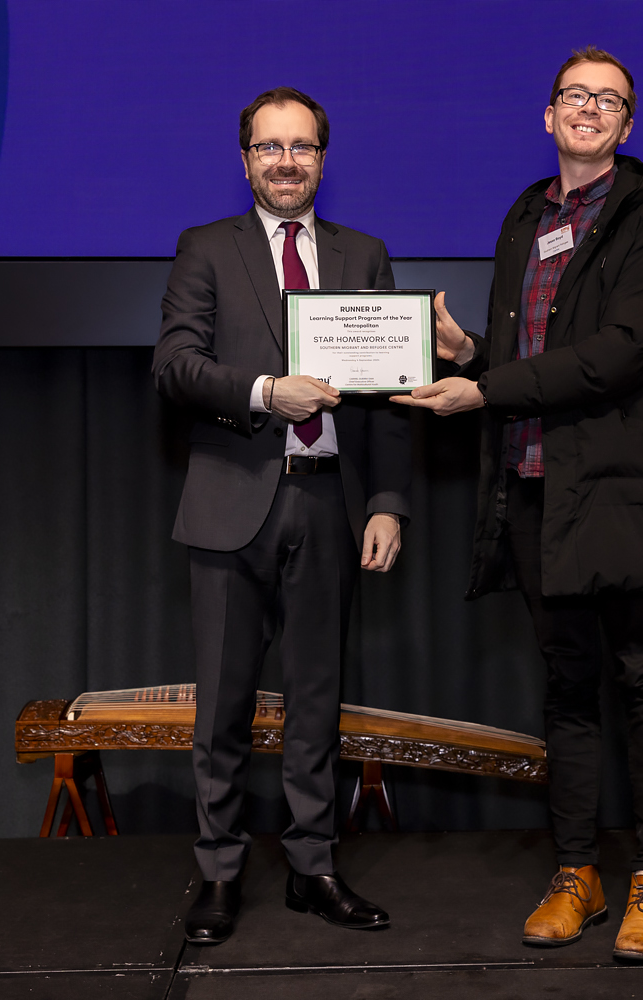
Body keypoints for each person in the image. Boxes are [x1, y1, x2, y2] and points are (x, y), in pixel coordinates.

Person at [394, 48, 643, 961]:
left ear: (628, 125)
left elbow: (618, 354)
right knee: (566, 687)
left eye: (610, 100)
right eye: (576, 96)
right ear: (549, 113)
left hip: (620, 489)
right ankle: (576, 874)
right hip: (531, 486)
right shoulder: (527, 214)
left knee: (640, 679)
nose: (589, 110)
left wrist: (486, 389)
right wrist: (468, 351)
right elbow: (537, 352)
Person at [153, 86, 409, 945]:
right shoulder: (205, 250)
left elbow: (390, 397)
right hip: (232, 505)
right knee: (223, 706)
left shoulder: (363, 253)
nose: (286, 161)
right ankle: (219, 872)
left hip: (330, 502)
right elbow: (175, 367)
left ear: (323, 161)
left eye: (301, 147)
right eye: (270, 147)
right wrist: (267, 391)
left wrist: (386, 501)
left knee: (317, 703)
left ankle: (313, 868)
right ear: (246, 159)